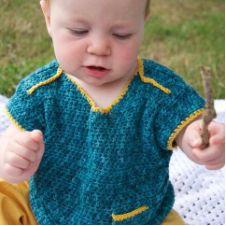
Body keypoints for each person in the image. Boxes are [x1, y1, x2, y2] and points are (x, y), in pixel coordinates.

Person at [0, 0, 225, 225]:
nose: (99, 48)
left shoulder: (158, 91)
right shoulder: (40, 90)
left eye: (121, 34)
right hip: (47, 208)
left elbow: (186, 126)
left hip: (139, 216)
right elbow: (12, 139)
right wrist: (13, 159)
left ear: (142, 23)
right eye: (79, 31)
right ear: (49, 20)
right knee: (5, 197)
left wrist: (201, 139)